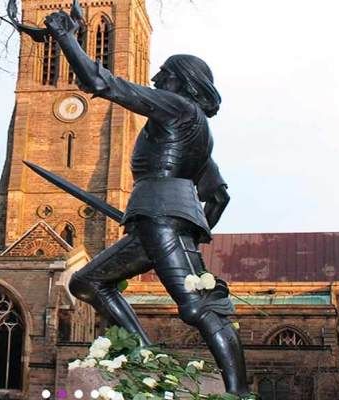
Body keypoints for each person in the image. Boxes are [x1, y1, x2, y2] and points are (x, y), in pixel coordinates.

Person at [38, 11, 251, 396]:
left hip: (159, 217)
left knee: (200, 305)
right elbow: (218, 196)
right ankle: (142, 355)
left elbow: (102, 82)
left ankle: (237, 391)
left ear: (182, 82)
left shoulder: (178, 108)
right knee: (87, 282)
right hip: (156, 219)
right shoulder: (195, 130)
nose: (156, 80)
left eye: (164, 73)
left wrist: (66, 38)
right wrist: (191, 227)